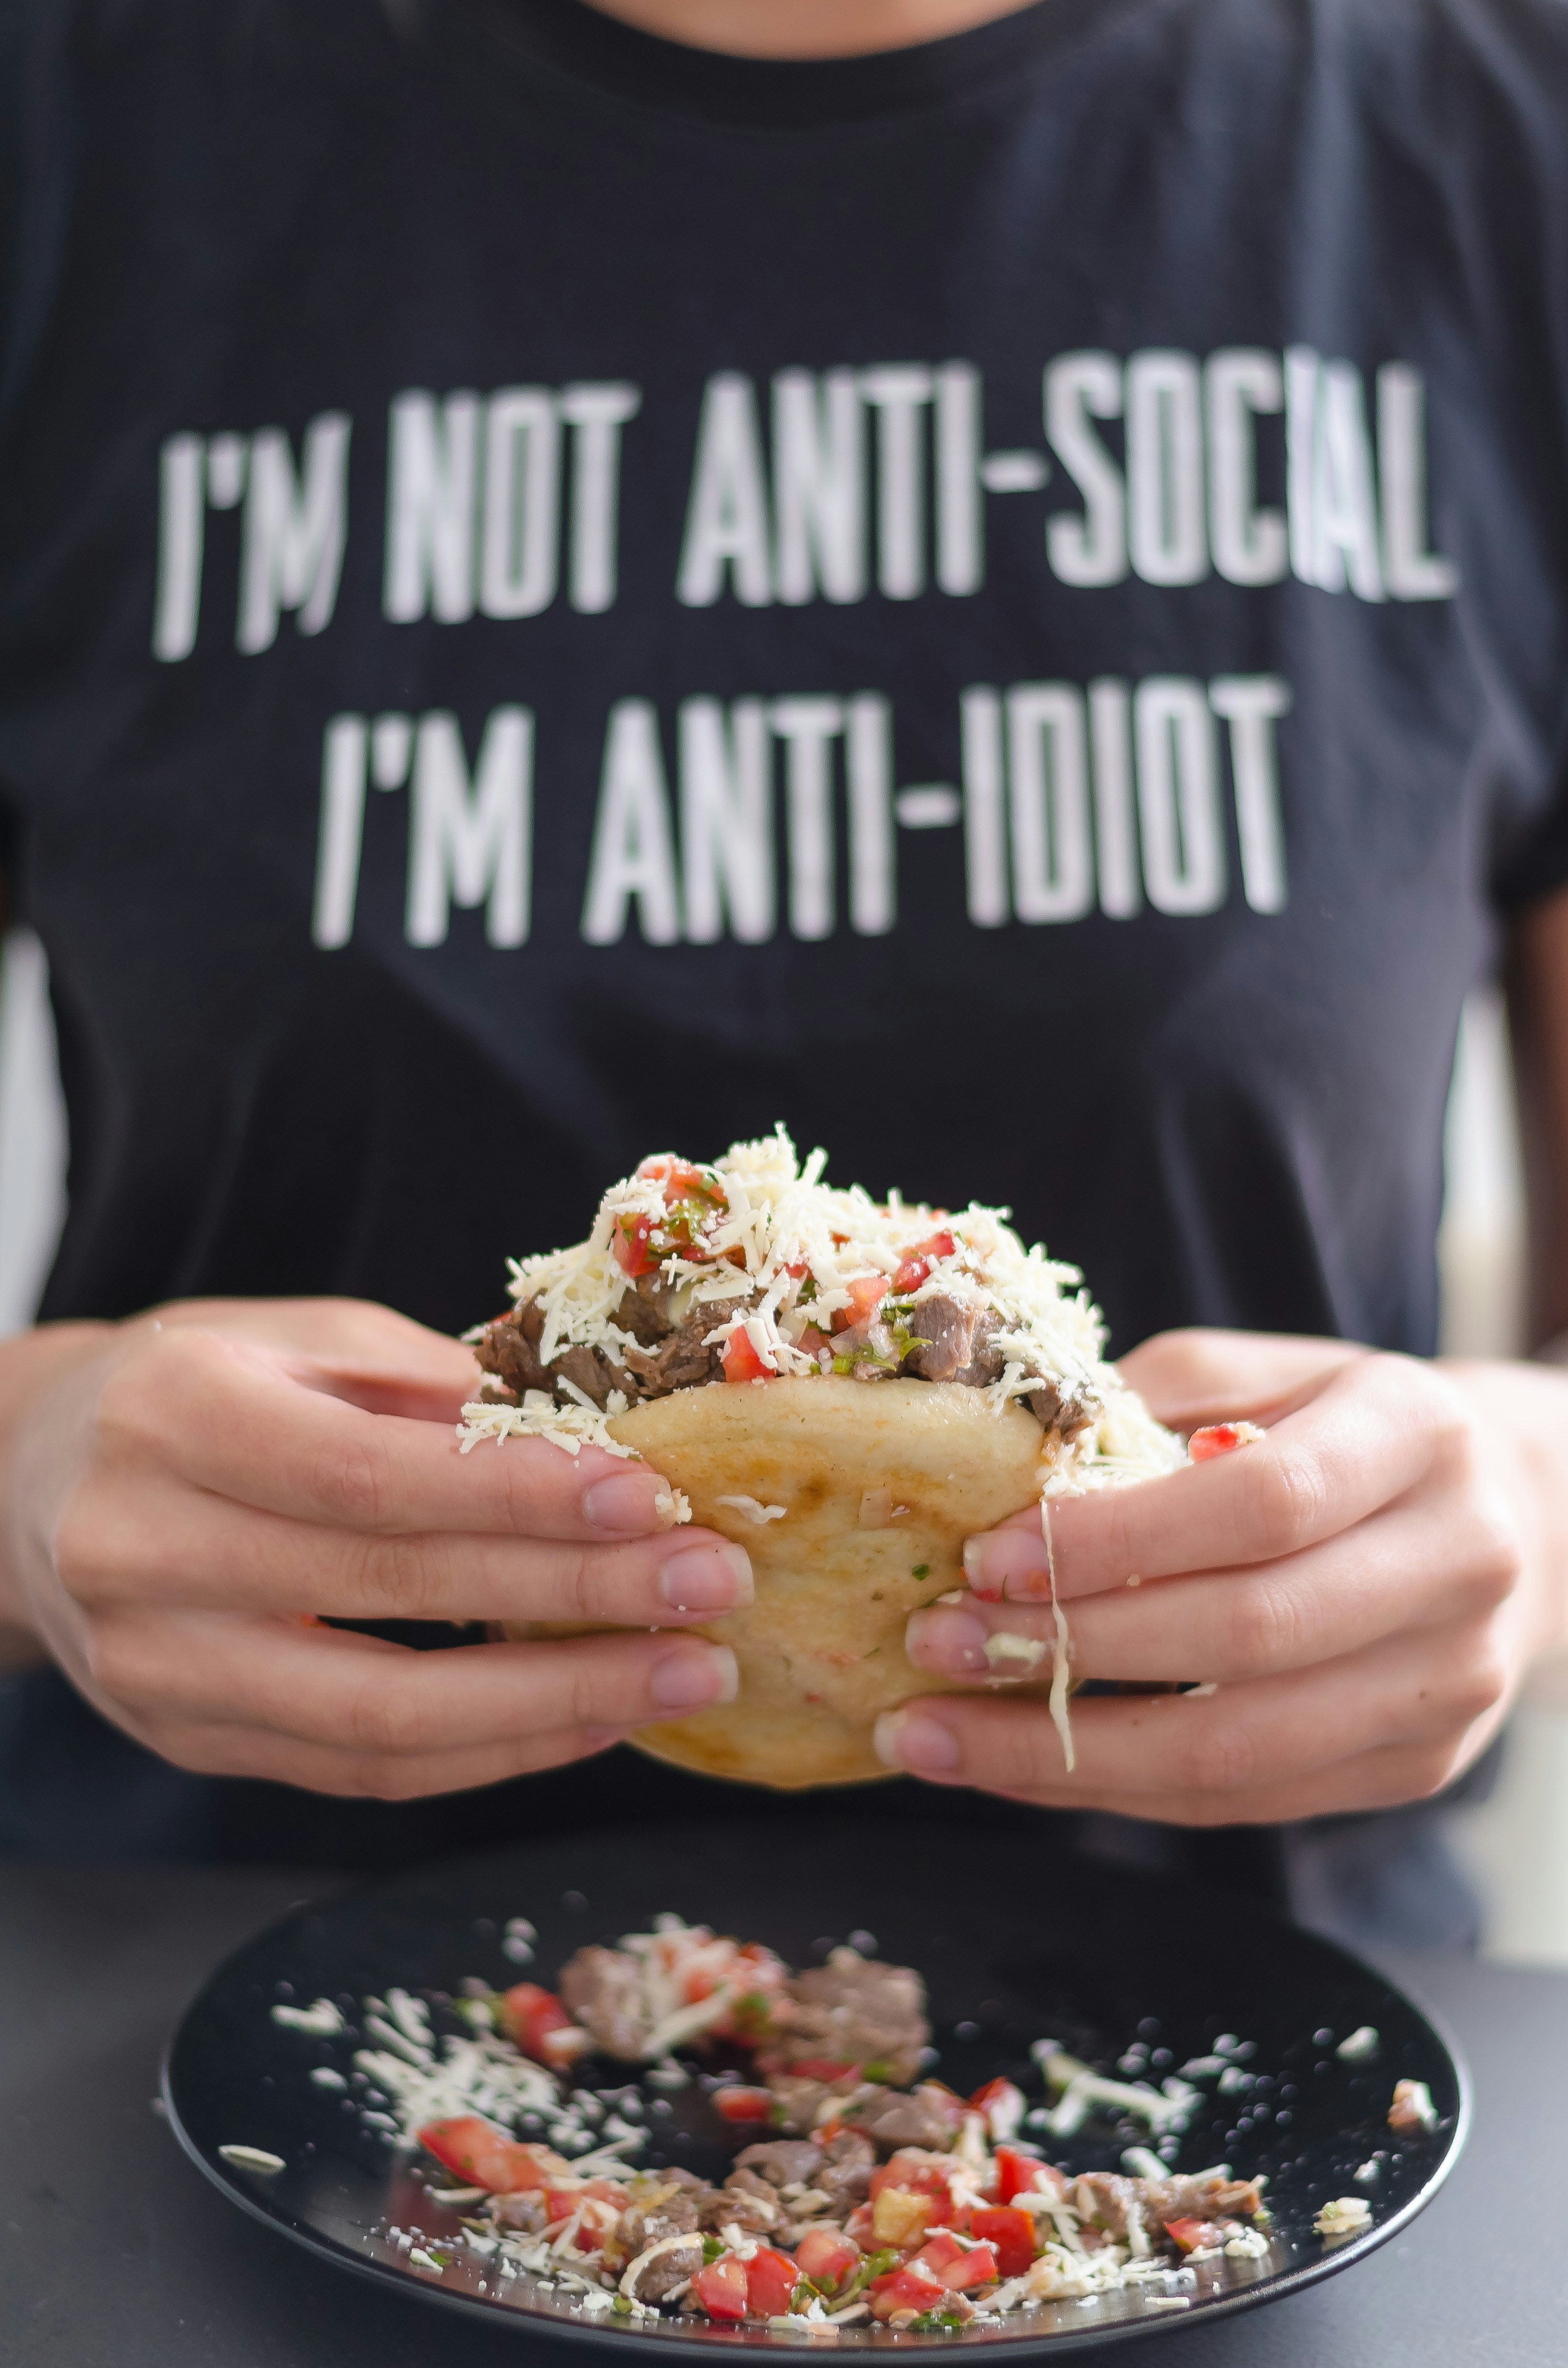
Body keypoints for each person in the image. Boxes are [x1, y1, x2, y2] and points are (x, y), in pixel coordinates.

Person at [1, 0, 1567, 1948]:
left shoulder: (1501, 128)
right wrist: (23, 1474)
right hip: (164, 1994)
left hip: (1262, 2053)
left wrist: (1532, 1493)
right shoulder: (74, 112)